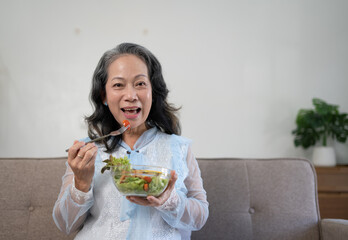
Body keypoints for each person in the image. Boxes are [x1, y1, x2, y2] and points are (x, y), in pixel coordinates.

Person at [52, 43, 209, 240]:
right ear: (104, 96)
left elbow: (200, 217)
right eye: (118, 85)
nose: (131, 96)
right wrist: (81, 182)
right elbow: (65, 224)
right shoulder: (88, 152)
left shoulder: (179, 148)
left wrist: (169, 200)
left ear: (153, 91)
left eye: (140, 84)